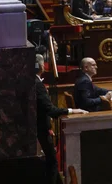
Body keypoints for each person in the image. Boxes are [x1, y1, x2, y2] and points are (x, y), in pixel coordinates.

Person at [35, 54, 87, 183]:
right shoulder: (37, 84)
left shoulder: (33, 81)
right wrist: (71, 110)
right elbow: (50, 110)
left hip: (40, 126)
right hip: (40, 128)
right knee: (52, 161)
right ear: (41, 66)